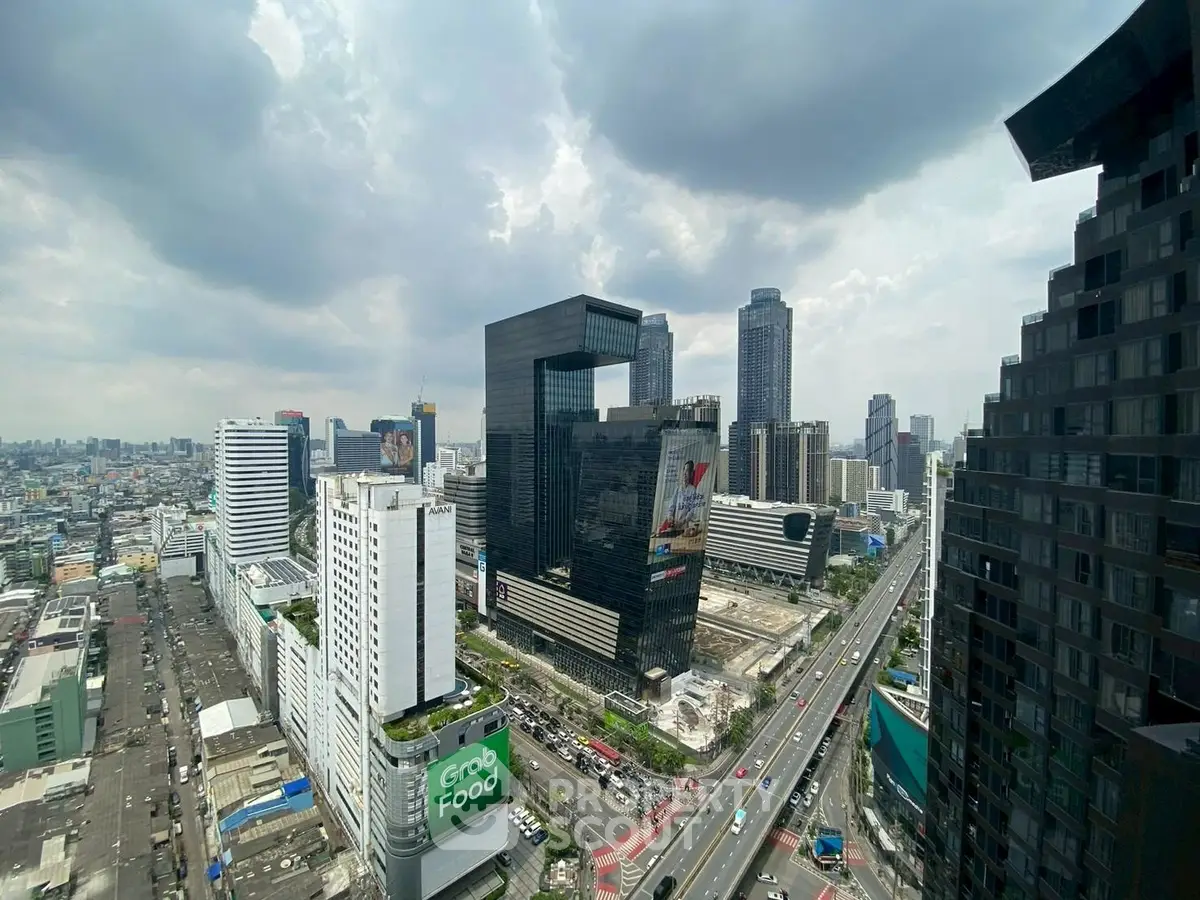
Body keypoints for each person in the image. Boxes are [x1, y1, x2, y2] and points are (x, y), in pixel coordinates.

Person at [657, 459, 702, 535]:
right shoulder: (678, 489)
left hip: (685, 527)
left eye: (687, 471)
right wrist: (670, 516)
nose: (685, 473)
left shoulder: (693, 490)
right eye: (684, 470)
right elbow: (672, 505)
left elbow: (692, 509)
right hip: (674, 525)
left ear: (691, 474)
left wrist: (684, 520)